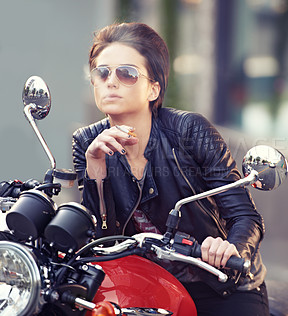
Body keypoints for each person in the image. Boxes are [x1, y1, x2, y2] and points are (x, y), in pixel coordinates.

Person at [72, 22, 269, 316]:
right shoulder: (87, 143)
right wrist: (96, 166)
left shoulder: (191, 131)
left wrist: (231, 251)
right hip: (146, 286)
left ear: (154, 88)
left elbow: (245, 216)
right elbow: (100, 239)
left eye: (126, 73)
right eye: (102, 73)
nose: (110, 81)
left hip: (220, 284)